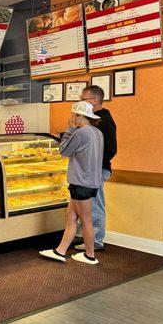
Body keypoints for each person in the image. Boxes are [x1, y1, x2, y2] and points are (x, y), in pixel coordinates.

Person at [40, 101, 104, 265]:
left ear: (79, 116)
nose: (72, 118)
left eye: (73, 115)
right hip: (91, 181)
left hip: (81, 182)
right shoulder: (97, 132)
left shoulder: (81, 132)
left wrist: (69, 130)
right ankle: (60, 251)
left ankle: (90, 255)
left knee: (86, 219)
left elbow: (64, 151)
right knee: (71, 216)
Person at [74, 85, 117, 252]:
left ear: (94, 101)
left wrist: (93, 163)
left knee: (95, 205)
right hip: (87, 171)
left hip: (97, 170)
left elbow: (111, 149)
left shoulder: (104, 121)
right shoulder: (91, 119)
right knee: (84, 205)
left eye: (82, 99)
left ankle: (96, 240)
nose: (80, 102)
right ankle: (84, 235)